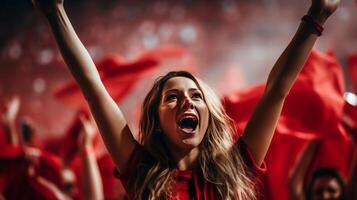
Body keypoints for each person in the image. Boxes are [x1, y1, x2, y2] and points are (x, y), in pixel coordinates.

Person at [32, 0, 340, 199]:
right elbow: (94, 89)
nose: (187, 103)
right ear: (156, 121)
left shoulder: (238, 166)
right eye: (172, 98)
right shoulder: (141, 171)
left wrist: (317, 15)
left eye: (196, 96)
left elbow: (277, 90)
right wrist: (54, 12)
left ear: (209, 114)